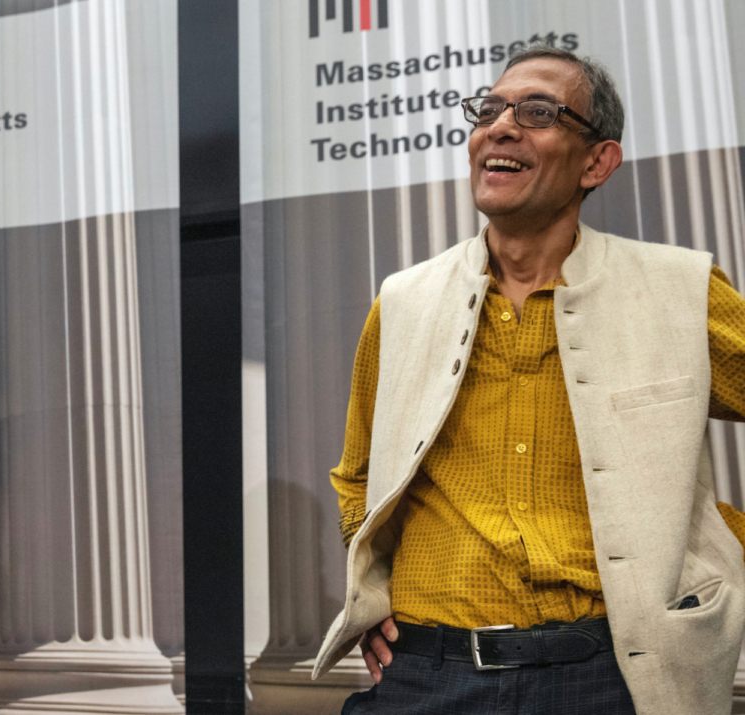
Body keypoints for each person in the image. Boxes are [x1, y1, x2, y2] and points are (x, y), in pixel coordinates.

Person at [315, 45, 745, 715]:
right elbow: (358, 476)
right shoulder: (403, 300)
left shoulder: (678, 290)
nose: (501, 126)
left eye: (538, 111)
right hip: (424, 675)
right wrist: (373, 593)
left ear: (597, 162)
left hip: (608, 679)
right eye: (489, 109)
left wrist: (714, 553)